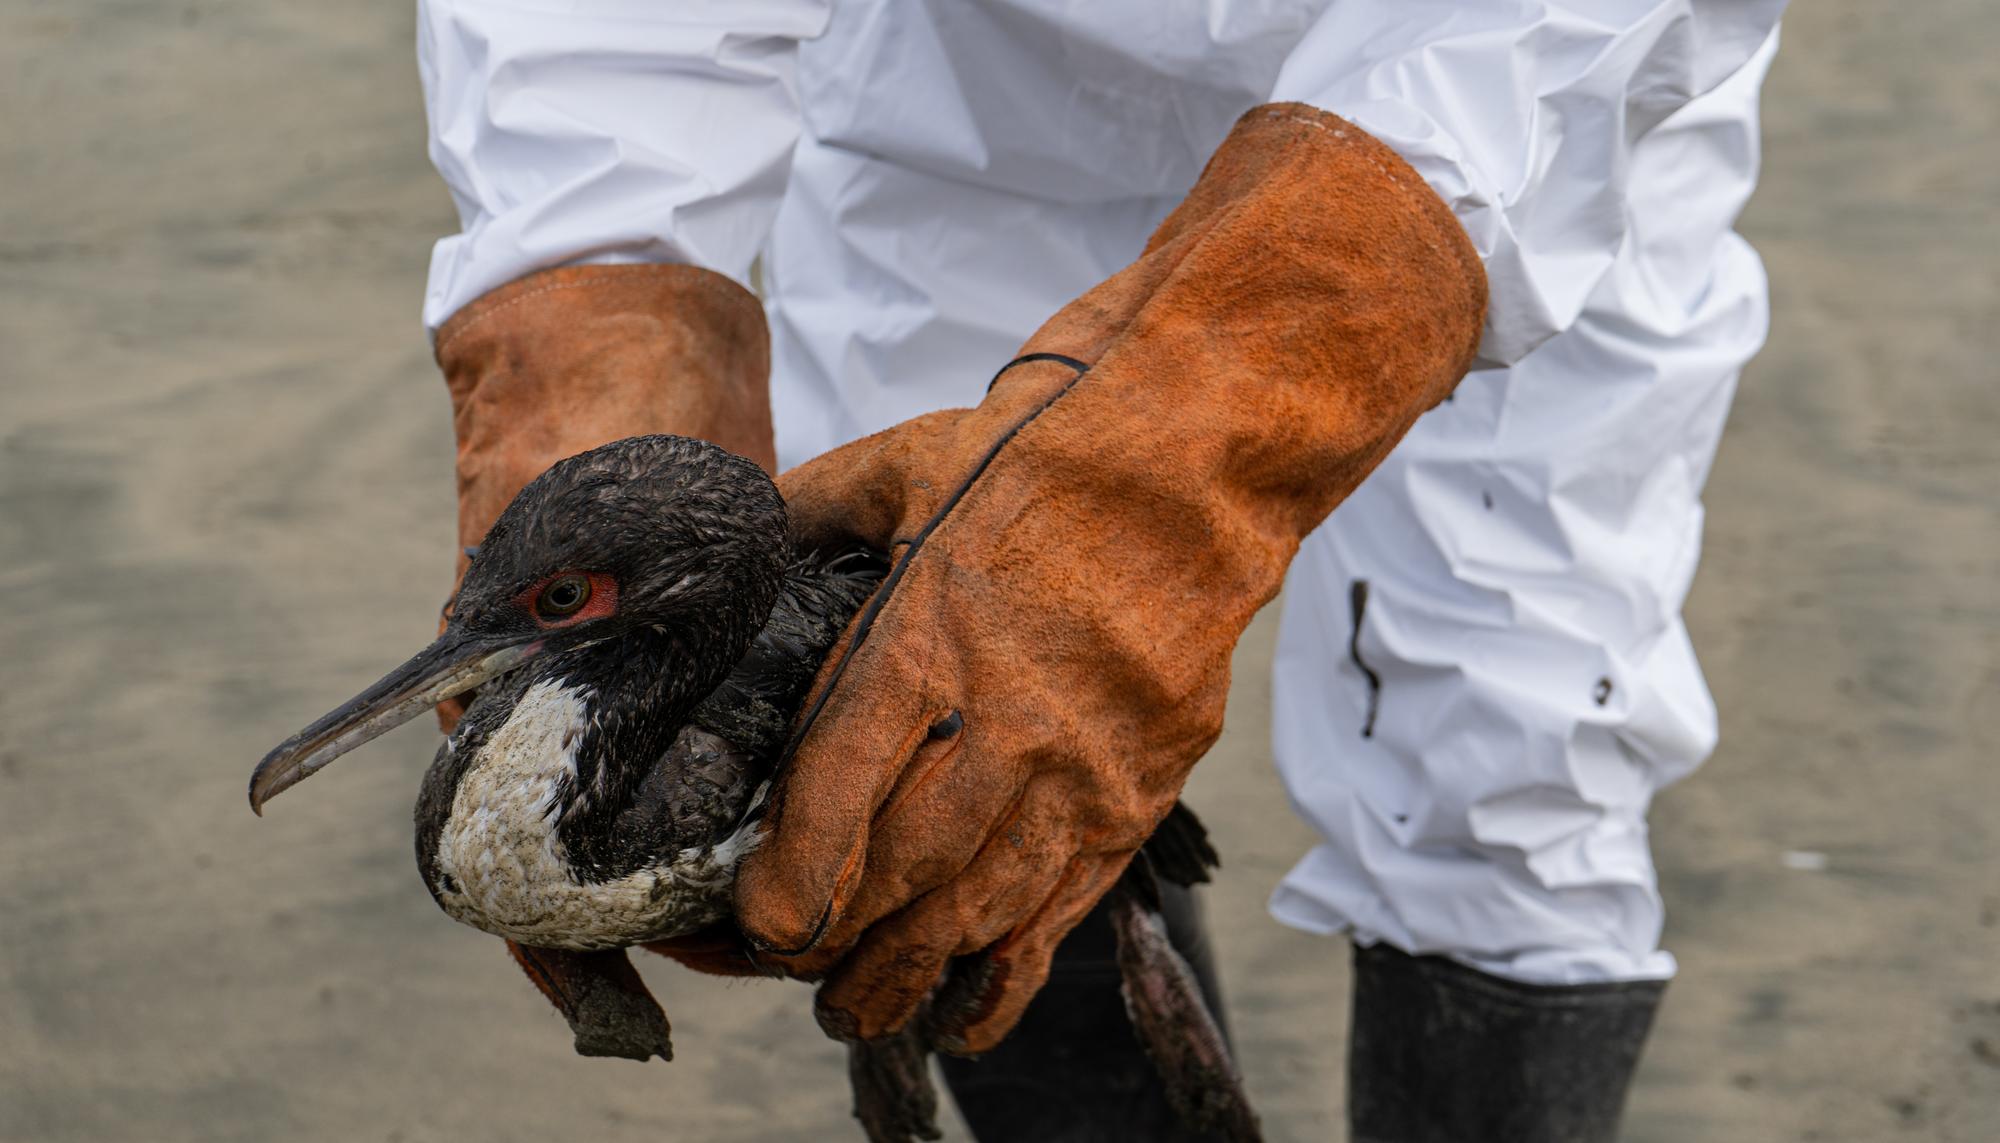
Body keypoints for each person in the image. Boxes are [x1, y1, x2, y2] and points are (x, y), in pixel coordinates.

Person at [417, 2, 1786, 1138]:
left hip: (1503, 76)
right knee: (918, 749)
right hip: (967, 71)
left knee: (1515, 728)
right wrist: (592, 319)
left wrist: (1164, 482)